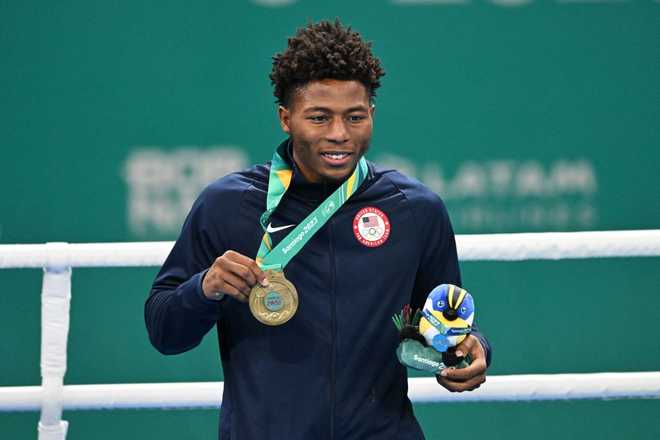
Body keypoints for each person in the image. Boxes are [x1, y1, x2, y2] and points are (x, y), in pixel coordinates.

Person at [145, 19, 491, 440]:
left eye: (355, 117)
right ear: (285, 118)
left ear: (372, 115)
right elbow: (164, 332)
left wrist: (470, 349)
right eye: (320, 117)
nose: (340, 135)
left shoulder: (415, 210)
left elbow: (438, 320)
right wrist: (204, 288)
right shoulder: (228, 205)